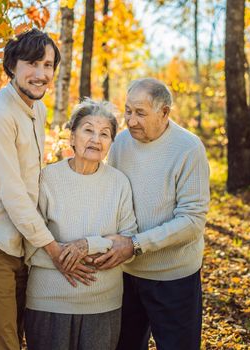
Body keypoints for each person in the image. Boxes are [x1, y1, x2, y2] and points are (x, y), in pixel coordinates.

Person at [0, 29, 93, 350]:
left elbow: (34, 179)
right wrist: (53, 249)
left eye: (48, 65)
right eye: (32, 63)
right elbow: (13, 193)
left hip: (19, 244)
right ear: (12, 66)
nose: (41, 74)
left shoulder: (35, 109)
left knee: (16, 338)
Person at [94, 78, 210, 349]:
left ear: (165, 112)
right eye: (128, 111)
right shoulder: (121, 143)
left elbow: (192, 221)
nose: (131, 121)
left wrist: (135, 245)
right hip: (125, 274)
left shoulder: (189, 149)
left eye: (141, 113)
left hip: (173, 278)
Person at [24, 99, 138, 350]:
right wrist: (64, 259)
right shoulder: (46, 178)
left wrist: (89, 245)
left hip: (103, 303)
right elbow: (29, 239)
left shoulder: (119, 183)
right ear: (72, 136)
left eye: (105, 134)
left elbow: (129, 242)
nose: (96, 139)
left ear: (110, 143)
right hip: (48, 300)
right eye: (88, 130)